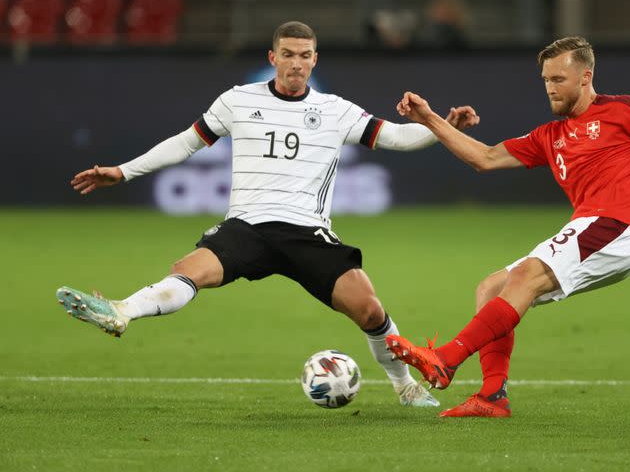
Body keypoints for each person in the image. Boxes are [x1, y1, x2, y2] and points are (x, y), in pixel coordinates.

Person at [57, 20, 479, 408]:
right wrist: (123, 171)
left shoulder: (336, 110)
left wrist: (444, 126)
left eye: (304, 55)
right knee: (189, 270)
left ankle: (404, 385)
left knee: (369, 310)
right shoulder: (238, 100)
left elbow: (399, 138)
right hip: (248, 226)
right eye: (288, 54)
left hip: (306, 231)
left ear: (315, 60)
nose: (296, 63)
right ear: (272, 57)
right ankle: (122, 311)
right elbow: (186, 143)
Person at [385, 36, 630, 417]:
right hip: (590, 228)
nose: (550, 87)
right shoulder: (550, 136)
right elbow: (484, 158)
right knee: (491, 286)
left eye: (559, 79)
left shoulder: (622, 111)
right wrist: (430, 119)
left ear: (586, 77)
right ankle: (492, 396)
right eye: (546, 79)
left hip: (618, 225)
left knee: (528, 275)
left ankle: (445, 360)